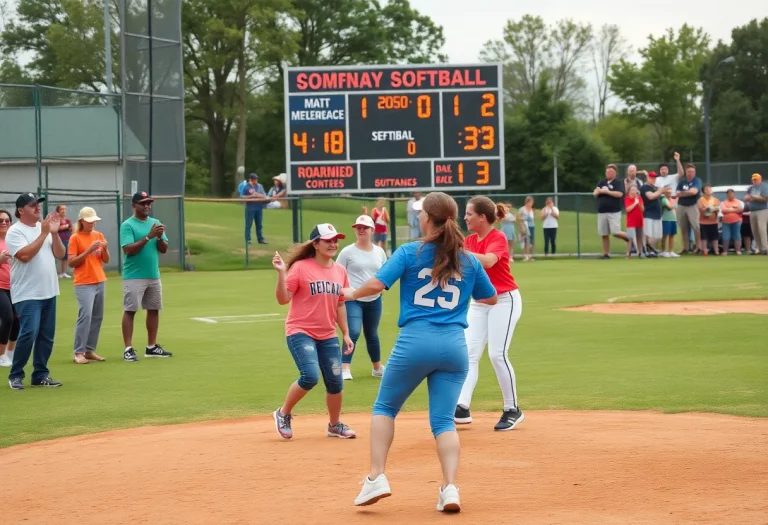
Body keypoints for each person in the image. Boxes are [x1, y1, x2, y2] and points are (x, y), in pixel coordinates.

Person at [347, 192, 497, 512]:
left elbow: (376, 285)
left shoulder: (410, 251)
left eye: (420, 213)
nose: (419, 217)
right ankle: (450, 489)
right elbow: (491, 298)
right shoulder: (467, 258)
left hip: (415, 341)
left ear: (427, 218)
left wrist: (349, 293)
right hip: (455, 346)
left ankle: (376, 477)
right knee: (443, 421)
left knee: (385, 407)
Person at [271, 223, 356, 440]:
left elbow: (339, 304)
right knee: (310, 376)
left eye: (335, 240)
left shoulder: (340, 271)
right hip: (300, 331)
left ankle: (334, 425)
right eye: (328, 240)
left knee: (336, 382)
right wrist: (282, 273)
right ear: (316, 244)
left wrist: (345, 332)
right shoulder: (300, 267)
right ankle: (283, 413)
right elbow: (283, 299)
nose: (333, 244)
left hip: (327, 334)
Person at [455, 196, 524, 431]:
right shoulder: (470, 240)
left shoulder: (498, 237)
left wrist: (460, 252)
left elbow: (488, 261)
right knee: (469, 354)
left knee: (497, 354)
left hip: (505, 300)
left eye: (469, 213)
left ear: (482, 217)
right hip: (479, 303)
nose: (465, 217)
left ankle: (512, 408)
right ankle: (462, 406)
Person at [5, 193, 65, 390]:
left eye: (38, 204)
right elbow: (24, 256)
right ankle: (16, 375)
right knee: (29, 333)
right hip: (28, 293)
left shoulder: (44, 229)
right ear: (21, 210)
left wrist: (54, 234)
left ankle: (40, 374)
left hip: (49, 290)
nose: (38, 207)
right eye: (32, 205)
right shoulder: (15, 231)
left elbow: (60, 254)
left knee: (46, 335)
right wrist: (44, 234)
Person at [120, 192, 172, 362]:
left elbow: (163, 249)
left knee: (153, 309)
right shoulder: (127, 225)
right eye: (143, 203)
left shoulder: (155, 223)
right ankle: (128, 348)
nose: (147, 206)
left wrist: (159, 237)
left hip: (153, 275)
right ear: (134, 205)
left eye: (149, 203)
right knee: (130, 310)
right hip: (134, 275)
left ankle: (151, 346)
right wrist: (149, 236)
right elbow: (128, 249)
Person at [335, 215, 387, 380]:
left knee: (372, 333)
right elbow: (337, 273)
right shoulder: (347, 252)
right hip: (353, 299)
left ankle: (377, 367)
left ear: (372, 230)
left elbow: (384, 272)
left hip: (374, 299)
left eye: (365, 227)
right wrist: (342, 292)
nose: (361, 230)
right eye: (358, 227)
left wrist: (383, 287)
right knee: (354, 331)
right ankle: (345, 368)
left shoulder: (379, 251)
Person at [68, 207, 109, 364]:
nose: (93, 224)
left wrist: (104, 249)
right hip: (84, 282)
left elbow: (105, 259)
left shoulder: (98, 235)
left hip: (99, 279)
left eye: (94, 221)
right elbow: (72, 262)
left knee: (97, 316)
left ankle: (89, 350)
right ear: (82, 221)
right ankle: (78, 352)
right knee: (85, 316)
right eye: (89, 221)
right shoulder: (75, 238)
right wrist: (88, 251)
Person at [594, 164, 630, 259]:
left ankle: (630, 238)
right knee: (604, 234)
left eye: (611, 171)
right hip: (602, 211)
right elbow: (595, 192)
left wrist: (606, 192)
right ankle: (606, 254)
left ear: (615, 173)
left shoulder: (618, 182)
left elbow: (619, 194)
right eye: (607, 171)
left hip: (613, 211)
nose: (609, 173)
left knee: (615, 231)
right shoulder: (602, 182)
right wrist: (600, 191)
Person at [0, 209, 19, 368]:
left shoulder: (13, 239)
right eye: (1, 220)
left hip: (15, 286)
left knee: (18, 320)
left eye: (7, 220)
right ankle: (0, 355)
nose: (4, 223)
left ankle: (10, 353)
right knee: (7, 318)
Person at [676, 163, 703, 254]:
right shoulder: (682, 181)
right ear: (686, 172)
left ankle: (698, 247)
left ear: (694, 172)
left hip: (693, 205)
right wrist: (686, 193)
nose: (690, 173)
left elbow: (694, 192)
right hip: (681, 206)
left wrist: (683, 193)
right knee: (683, 227)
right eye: (688, 171)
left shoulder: (697, 181)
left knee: (696, 226)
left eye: (692, 171)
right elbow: (677, 192)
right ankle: (685, 247)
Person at [640, 171, 666, 257]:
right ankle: (647, 251)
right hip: (649, 213)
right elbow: (650, 196)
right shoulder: (645, 187)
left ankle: (652, 250)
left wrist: (662, 191)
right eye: (651, 177)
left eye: (654, 178)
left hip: (657, 214)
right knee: (649, 234)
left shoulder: (655, 187)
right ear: (648, 178)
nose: (653, 179)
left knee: (657, 235)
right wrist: (660, 191)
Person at [240, 173, 268, 245]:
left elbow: (264, 196)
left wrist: (257, 195)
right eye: (254, 179)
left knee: (259, 224)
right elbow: (242, 197)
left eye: (256, 179)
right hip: (250, 208)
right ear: (251, 179)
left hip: (259, 207)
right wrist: (251, 196)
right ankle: (248, 239)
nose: (256, 180)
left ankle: (260, 239)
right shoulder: (246, 187)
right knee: (248, 224)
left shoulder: (259, 186)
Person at [745, 173, 768, 254]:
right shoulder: (751, 188)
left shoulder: (764, 187)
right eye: (753, 179)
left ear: (760, 179)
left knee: (762, 229)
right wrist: (748, 197)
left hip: (762, 210)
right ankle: (758, 248)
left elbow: (765, 199)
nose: (754, 181)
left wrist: (753, 197)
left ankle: (765, 248)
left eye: (756, 179)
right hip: (753, 210)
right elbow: (746, 197)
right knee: (755, 230)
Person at [697, 185, 720, 256]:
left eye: (709, 189)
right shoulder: (701, 200)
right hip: (704, 221)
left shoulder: (715, 199)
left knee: (715, 237)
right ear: (704, 191)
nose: (708, 191)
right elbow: (700, 209)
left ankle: (716, 251)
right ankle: (705, 251)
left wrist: (714, 209)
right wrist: (707, 209)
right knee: (704, 237)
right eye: (706, 189)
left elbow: (718, 208)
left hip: (713, 221)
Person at [719, 189, 744, 255]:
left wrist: (729, 209)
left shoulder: (739, 202)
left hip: (737, 221)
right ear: (727, 195)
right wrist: (733, 209)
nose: (730, 195)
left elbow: (740, 210)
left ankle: (738, 250)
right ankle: (725, 251)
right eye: (729, 194)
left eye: (731, 193)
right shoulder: (723, 202)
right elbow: (723, 210)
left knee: (737, 235)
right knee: (726, 236)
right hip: (726, 222)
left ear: (734, 194)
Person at [624, 186, 645, 258]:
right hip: (631, 221)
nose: (634, 191)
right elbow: (628, 209)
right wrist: (634, 203)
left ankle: (640, 252)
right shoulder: (627, 199)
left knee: (639, 237)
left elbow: (642, 210)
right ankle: (628, 253)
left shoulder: (639, 198)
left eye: (635, 190)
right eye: (632, 190)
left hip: (639, 220)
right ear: (629, 191)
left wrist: (638, 203)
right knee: (630, 238)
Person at [660, 192, 680, 258]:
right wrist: (676, 199)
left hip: (673, 219)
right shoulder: (664, 199)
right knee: (665, 235)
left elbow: (675, 208)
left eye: (670, 192)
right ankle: (663, 251)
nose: (670, 194)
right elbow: (670, 207)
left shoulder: (671, 199)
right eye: (668, 192)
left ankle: (671, 251)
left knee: (672, 235)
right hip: (666, 219)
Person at [56, 205, 73, 278]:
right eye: (62, 209)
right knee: (59, 256)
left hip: (67, 239)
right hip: (59, 240)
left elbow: (71, 229)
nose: (63, 211)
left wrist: (70, 228)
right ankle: (57, 272)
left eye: (65, 209)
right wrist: (64, 227)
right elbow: (55, 228)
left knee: (66, 256)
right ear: (58, 211)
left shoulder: (68, 220)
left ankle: (63, 273)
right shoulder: (56, 220)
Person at [517, 196, 535, 262]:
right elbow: (518, 217)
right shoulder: (522, 209)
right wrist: (522, 223)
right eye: (530, 202)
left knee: (531, 241)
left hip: (531, 226)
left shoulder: (532, 210)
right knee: (524, 241)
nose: (531, 203)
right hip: (524, 226)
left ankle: (530, 256)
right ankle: (525, 256)